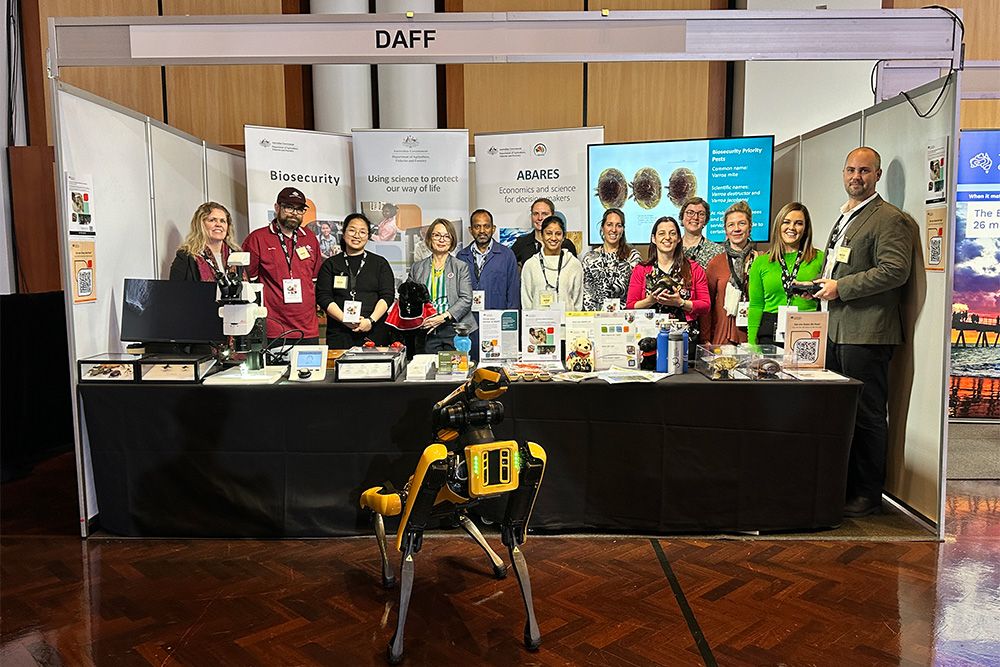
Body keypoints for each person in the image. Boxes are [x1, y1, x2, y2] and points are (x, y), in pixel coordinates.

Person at [814, 147, 914, 518]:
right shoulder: (847, 217)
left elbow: (894, 271)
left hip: (868, 333)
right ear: (843, 173)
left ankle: (869, 493)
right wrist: (823, 283)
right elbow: (842, 265)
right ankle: (849, 486)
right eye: (851, 170)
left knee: (869, 415)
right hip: (839, 330)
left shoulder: (889, 219)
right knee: (845, 414)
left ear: (878, 174)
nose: (857, 176)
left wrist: (841, 287)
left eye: (865, 170)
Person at [242, 187, 323, 345]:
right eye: (289, 207)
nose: (294, 213)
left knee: (308, 370)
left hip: (307, 329)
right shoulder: (257, 238)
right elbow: (248, 284)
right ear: (277, 207)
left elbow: (313, 280)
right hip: (273, 328)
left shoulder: (310, 238)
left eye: (299, 209)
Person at [746, 202, 824, 346]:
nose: (791, 228)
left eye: (798, 223)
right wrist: (751, 343)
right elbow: (756, 305)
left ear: (806, 229)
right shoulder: (761, 262)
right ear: (778, 227)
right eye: (786, 222)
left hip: (808, 331)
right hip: (769, 332)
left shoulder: (820, 259)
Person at [315, 213, 394, 350]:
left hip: (375, 330)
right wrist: (344, 319)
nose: (357, 235)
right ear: (344, 233)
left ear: (368, 236)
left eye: (362, 232)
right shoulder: (330, 264)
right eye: (352, 230)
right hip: (339, 332)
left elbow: (387, 295)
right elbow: (323, 296)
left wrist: (370, 320)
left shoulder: (380, 263)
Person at [627, 216, 709, 338]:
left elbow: (705, 305)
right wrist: (650, 300)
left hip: (685, 336)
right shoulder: (641, 270)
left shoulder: (694, 269)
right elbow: (630, 306)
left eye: (672, 233)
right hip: (650, 335)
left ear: (678, 239)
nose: (667, 237)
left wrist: (681, 303)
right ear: (654, 239)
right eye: (661, 233)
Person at [455, 209, 520, 356]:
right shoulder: (461, 256)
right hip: (469, 322)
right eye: (477, 227)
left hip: (497, 321)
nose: (482, 231)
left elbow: (513, 293)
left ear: (493, 229)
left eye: (486, 226)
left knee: (496, 367)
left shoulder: (506, 255)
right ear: (470, 230)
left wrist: (509, 327)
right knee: (470, 363)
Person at [407, 218, 476, 352]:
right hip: (426, 328)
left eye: (446, 236)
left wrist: (442, 317)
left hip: (453, 327)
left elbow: (466, 299)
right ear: (430, 238)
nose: (441, 240)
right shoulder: (418, 268)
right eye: (437, 235)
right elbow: (409, 298)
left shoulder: (460, 267)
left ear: (452, 240)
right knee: (429, 369)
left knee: (455, 370)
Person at [702, 201, 759, 345]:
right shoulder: (716, 263)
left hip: (752, 335)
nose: (737, 229)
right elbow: (707, 306)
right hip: (722, 336)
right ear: (726, 231)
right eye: (731, 225)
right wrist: (705, 338)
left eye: (742, 223)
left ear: (750, 227)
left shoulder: (760, 261)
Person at [581, 208, 642, 311]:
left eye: (618, 225)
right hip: (596, 318)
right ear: (602, 227)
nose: (613, 229)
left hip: (624, 318)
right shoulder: (590, 258)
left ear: (623, 229)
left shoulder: (633, 257)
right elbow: (587, 296)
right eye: (609, 224)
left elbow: (635, 295)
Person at [520, 216, 584, 311]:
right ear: (541, 236)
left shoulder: (574, 264)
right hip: (538, 324)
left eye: (558, 234)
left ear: (563, 237)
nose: (553, 238)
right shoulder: (531, 265)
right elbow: (527, 301)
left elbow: (577, 301)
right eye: (549, 233)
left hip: (567, 323)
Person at [169, 202, 240, 281]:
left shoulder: (236, 256)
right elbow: (175, 291)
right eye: (212, 220)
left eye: (223, 221)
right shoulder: (186, 258)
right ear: (201, 225)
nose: (218, 224)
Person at [511, 197, 578, 267]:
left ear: (552, 215)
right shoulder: (522, 243)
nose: (540, 218)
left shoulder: (566, 245)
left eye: (544, 214)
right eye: (536, 214)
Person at [680, 196, 725, 270]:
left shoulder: (717, 251)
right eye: (690, 213)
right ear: (682, 217)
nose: (695, 217)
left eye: (701, 214)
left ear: (706, 220)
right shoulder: (672, 248)